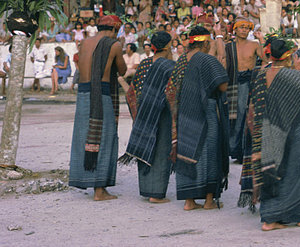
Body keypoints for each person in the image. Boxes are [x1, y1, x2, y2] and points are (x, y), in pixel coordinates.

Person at [241, 39, 300, 231]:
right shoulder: (292, 75)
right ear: (288, 56)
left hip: (268, 131)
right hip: (293, 129)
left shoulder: (260, 75)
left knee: (273, 170)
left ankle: (269, 218)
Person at [165, 26, 229, 211]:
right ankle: (209, 200)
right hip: (205, 110)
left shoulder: (182, 60)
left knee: (188, 152)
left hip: (185, 112)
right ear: (206, 42)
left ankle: (189, 201)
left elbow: (171, 89)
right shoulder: (207, 59)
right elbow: (223, 86)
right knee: (209, 152)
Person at [68, 15, 126, 201]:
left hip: (84, 93)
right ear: (115, 29)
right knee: (105, 137)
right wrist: (120, 46)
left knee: (84, 137)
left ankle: (84, 178)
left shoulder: (84, 43)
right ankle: (100, 190)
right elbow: (122, 71)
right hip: (100, 94)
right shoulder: (114, 45)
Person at [119, 31, 175, 203]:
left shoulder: (143, 64)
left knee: (145, 147)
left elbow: (132, 93)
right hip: (162, 115)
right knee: (161, 151)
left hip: (144, 114)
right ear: (166, 47)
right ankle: (157, 194)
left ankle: (146, 189)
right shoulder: (171, 66)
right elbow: (172, 94)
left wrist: (138, 115)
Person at [225, 17, 266, 162]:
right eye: (241, 27)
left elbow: (266, 58)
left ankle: (241, 150)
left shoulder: (254, 44)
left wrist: (261, 39)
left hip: (247, 83)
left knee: (244, 114)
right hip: (230, 82)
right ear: (235, 29)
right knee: (231, 116)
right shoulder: (228, 46)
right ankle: (231, 148)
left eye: (246, 28)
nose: (243, 30)